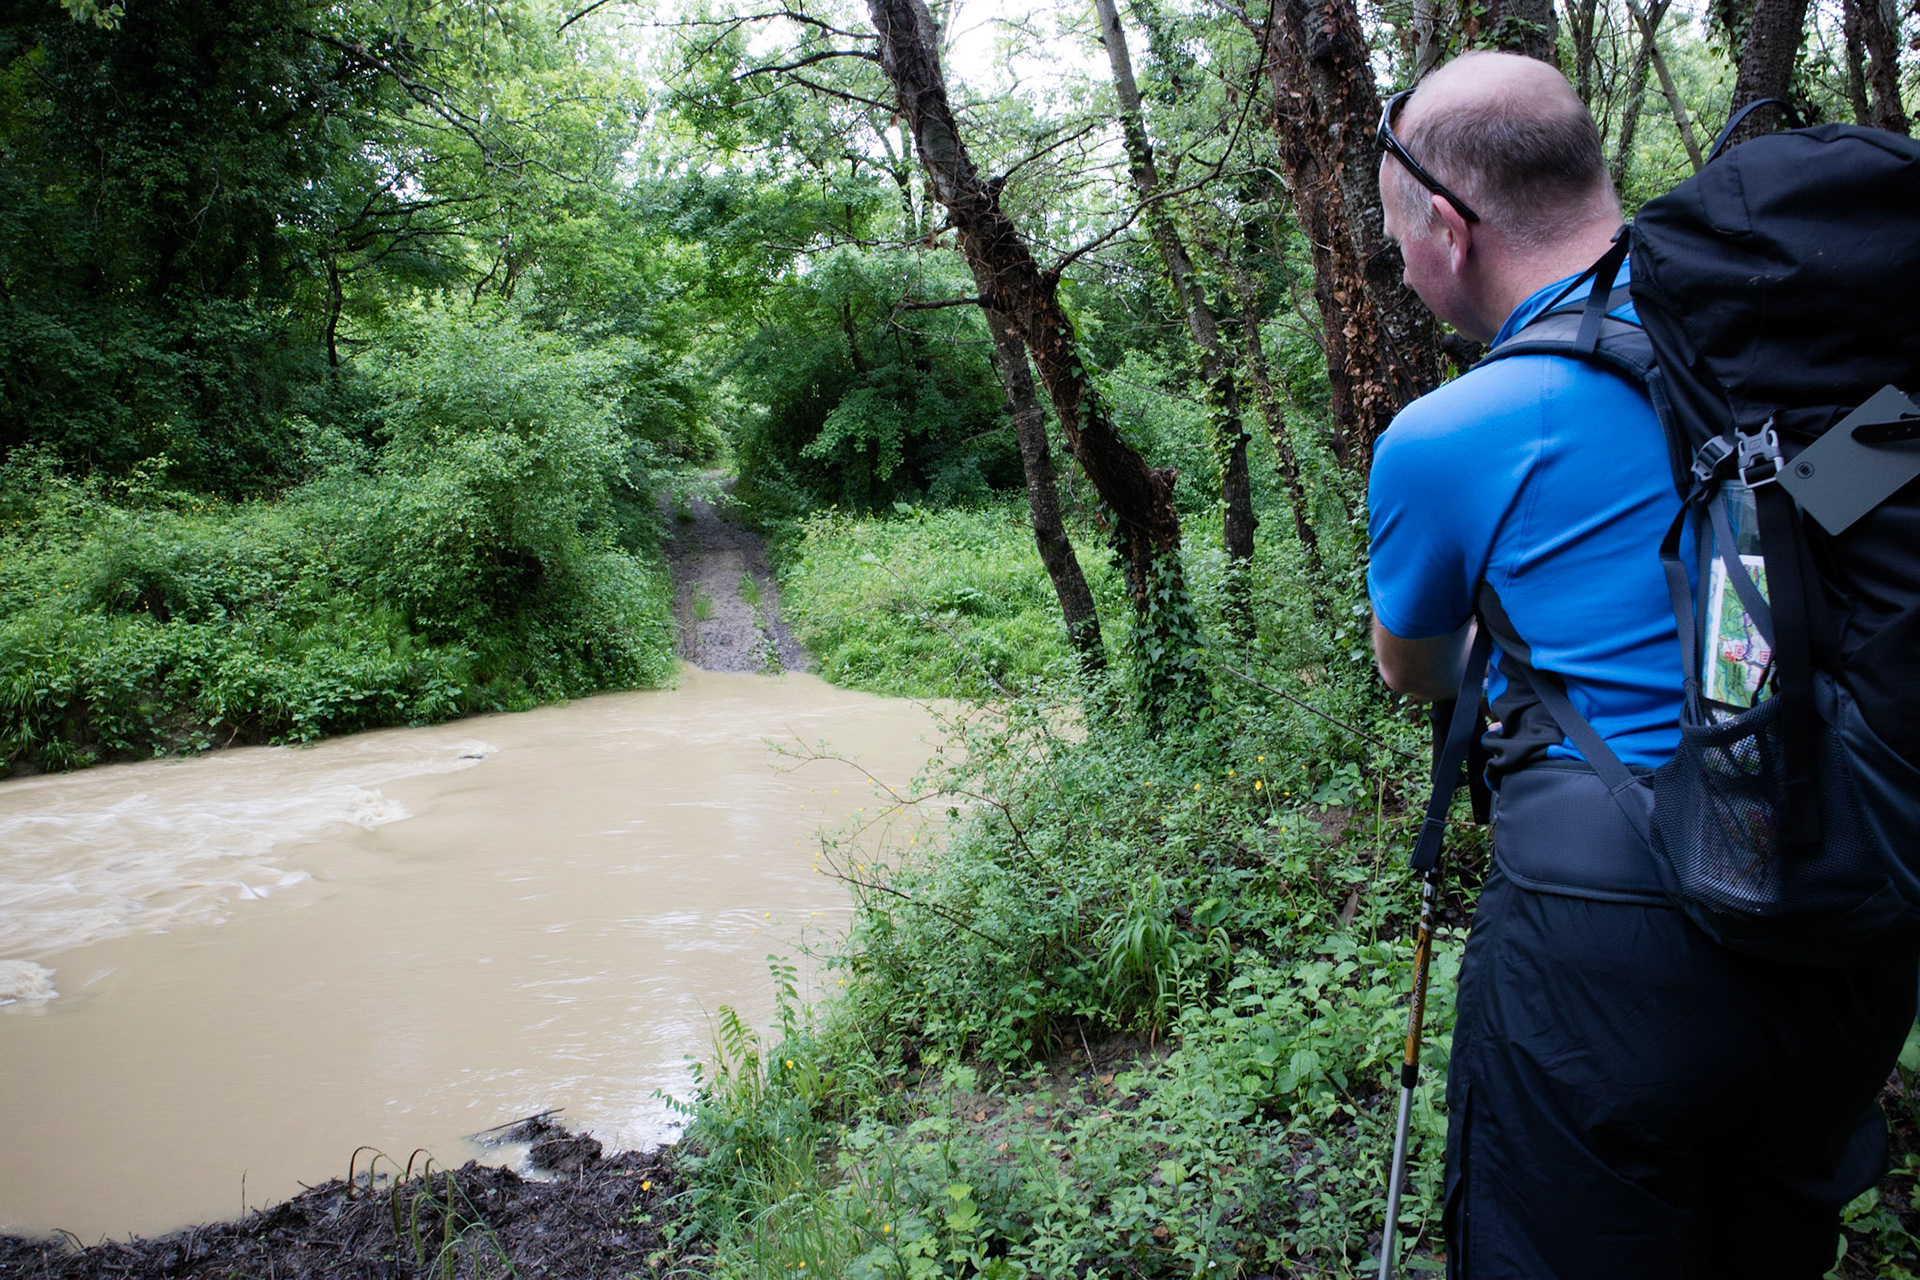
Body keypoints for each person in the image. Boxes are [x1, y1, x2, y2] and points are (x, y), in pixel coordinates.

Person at [1367, 51, 1916, 1279]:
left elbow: (1414, 668)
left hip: (1604, 951)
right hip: (1844, 918)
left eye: (1399, 235)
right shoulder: (1788, 344)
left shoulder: (1447, 437)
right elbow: (1834, 527)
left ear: (1450, 228)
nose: (1401, 265)